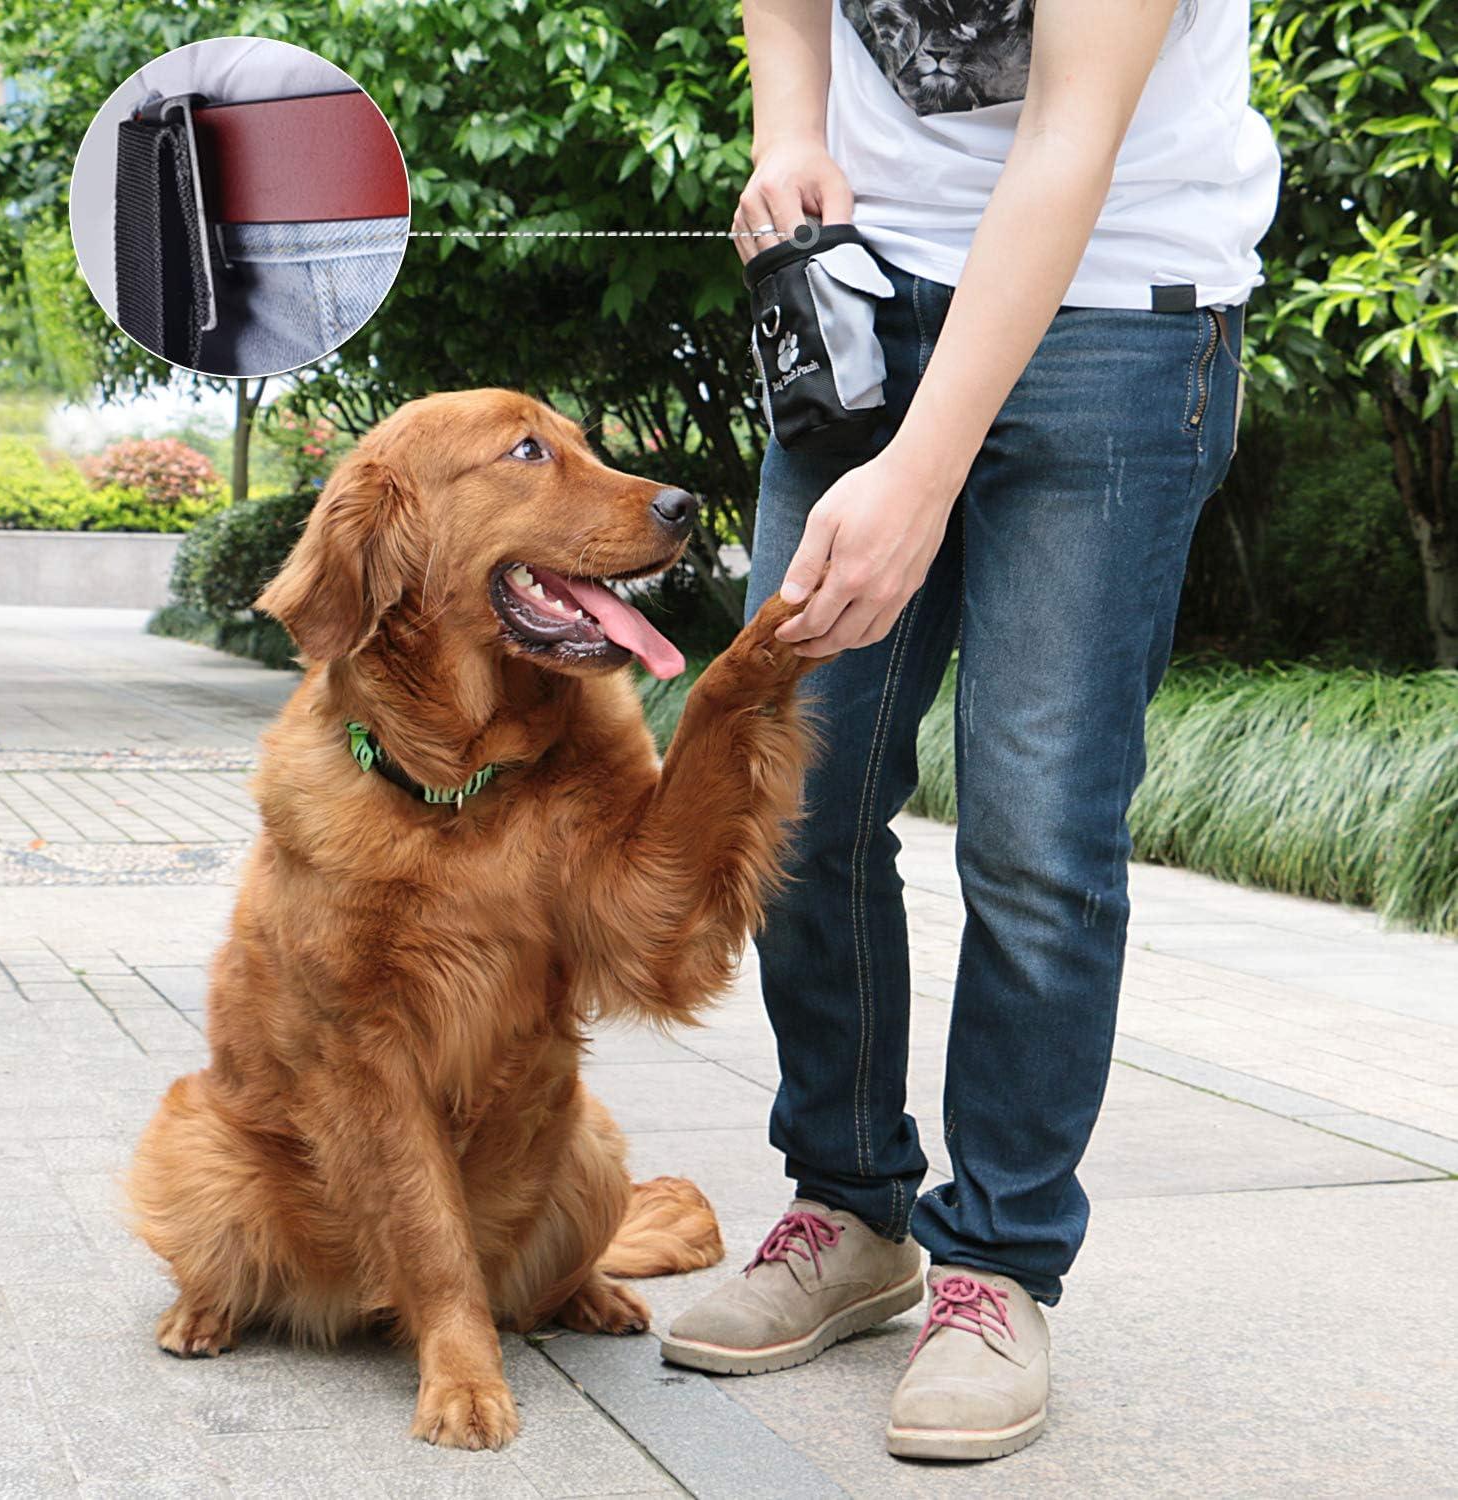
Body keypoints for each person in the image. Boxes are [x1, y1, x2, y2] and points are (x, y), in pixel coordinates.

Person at [658, 0, 1280, 1463]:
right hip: (867, 287)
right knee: (791, 794)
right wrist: (791, 124)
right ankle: (849, 1206)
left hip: (1119, 317)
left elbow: (1068, 133)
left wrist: (915, 478)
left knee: (1035, 831)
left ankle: (997, 1264)